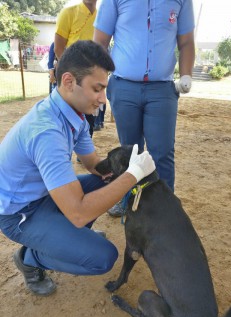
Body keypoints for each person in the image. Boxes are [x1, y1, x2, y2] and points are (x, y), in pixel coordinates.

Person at [0, 40, 156, 297]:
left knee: (108, 180)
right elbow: (78, 213)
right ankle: (30, 259)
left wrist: (124, 165)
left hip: (43, 196)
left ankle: (68, 240)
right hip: (19, 214)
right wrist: (133, 175)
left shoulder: (73, 115)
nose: (103, 99)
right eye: (97, 89)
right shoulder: (47, 133)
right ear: (70, 82)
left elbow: (95, 165)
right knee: (102, 257)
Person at [94, 0, 195, 216]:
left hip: (162, 89)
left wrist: (186, 74)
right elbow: (100, 41)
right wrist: (100, 82)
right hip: (124, 85)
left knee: (163, 153)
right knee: (130, 150)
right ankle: (127, 199)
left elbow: (186, 41)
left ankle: (165, 208)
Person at [54, 0, 104, 137]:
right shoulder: (68, 13)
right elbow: (58, 48)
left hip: (92, 82)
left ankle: (83, 157)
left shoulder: (103, 17)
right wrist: (72, 73)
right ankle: (63, 156)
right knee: (64, 122)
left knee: (88, 122)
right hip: (71, 80)